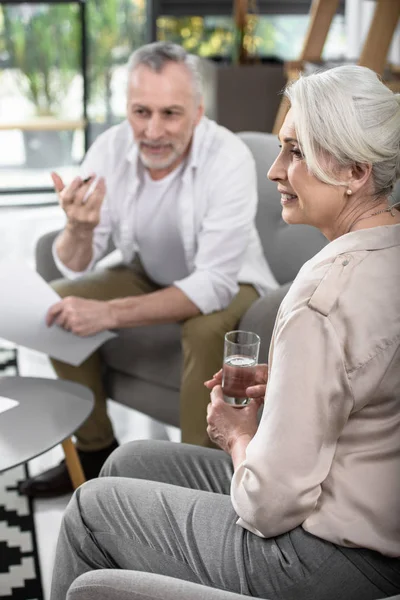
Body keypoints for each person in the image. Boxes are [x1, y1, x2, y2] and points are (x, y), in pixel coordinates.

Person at [51, 64, 400, 600]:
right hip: (355, 504)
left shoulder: (320, 299)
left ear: (355, 172)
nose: (275, 170)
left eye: (296, 151)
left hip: (326, 556)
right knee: (129, 462)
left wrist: (236, 438)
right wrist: (290, 381)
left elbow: (269, 505)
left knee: (90, 511)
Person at [19, 42, 277, 498]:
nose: (153, 131)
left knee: (203, 332)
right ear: (127, 109)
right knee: (58, 304)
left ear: (198, 111)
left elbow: (213, 284)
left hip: (231, 279)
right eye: (141, 112)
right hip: (150, 272)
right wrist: (77, 229)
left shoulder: (228, 157)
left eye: (170, 114)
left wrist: (109, 314)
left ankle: (198, 481)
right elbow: (76, 261)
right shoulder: (110, 149)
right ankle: (95, 452)